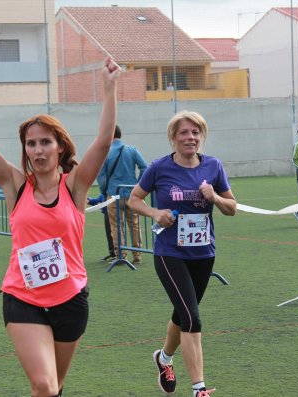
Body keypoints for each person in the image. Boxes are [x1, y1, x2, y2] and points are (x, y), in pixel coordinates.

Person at [0, 54, 120, 397]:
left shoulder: (76, 185)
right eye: (31, 144)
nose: (38, 150)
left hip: (70, 299)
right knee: (44, 383)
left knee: (53, 387)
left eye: (45, 142)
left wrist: (109, 89)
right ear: (25, 150)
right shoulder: (15, 184)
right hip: (23, 297)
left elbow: (102, 142)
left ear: (59, 147)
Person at [127, 111, 237, 397]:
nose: (191, 137)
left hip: (203, 253)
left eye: (196, 132)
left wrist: (214, 197)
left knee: (183, 313)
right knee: (192, 318)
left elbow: (232, 208)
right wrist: (155, 212)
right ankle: (199, 389)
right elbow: (133, 200)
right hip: (169, 252)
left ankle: (164, 358)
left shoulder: (213, 166)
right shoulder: (159, 168)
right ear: (173, 138)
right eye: (184, 133)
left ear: (202, 136)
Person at [96, 125, 147, 265]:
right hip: (132, 194)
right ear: (120, 134)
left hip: (113, 194)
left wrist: (104, 191)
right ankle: (137, 255)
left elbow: (101, 177)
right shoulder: (131, 150)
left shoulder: (105, 153)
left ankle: (121, 255)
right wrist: (138, 184)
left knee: (116, 227)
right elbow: (144, 167)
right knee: (134, 225)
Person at [86, 193, 116, 262]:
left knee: (115, 234)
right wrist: (89, 200)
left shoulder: (111, 189)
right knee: (109, 235)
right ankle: (113, 254)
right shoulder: (105, 192)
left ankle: (118, 254)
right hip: (107, 214)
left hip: (114, 214)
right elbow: (99, 200)